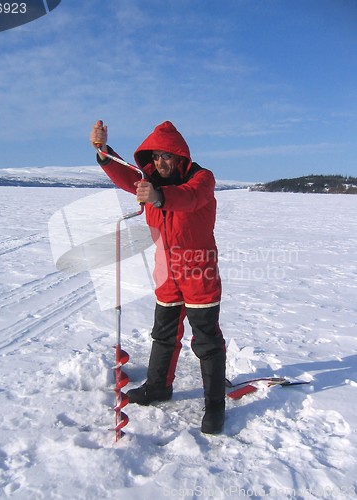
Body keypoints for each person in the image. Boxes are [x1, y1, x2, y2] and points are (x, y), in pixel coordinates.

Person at [90, 120, 226, 434]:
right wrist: (102, 151)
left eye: (166, 156)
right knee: (163, 333)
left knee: (206, 340)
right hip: (166, 268)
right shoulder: (150, 179)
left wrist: (157, 197)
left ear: (181, 157)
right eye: (155, 157)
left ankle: (215, 407)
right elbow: (127, 175)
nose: (160, 162)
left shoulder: (201, 179)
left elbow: (190, 198)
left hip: (198, 268)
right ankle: (158, 387)